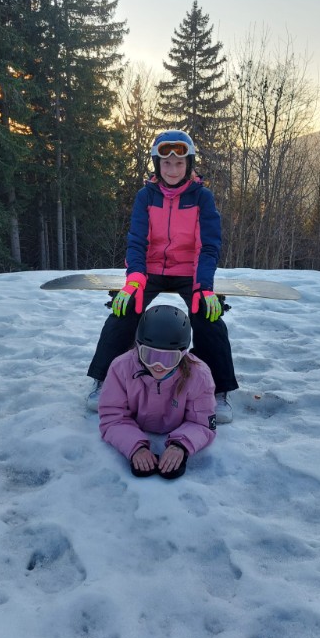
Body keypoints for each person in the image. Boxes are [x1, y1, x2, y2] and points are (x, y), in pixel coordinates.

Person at [86, 129, 238, 423]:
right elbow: (137, 241)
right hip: (151, 269)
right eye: (166, 163)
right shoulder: (146, 196)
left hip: (189, 272)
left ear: (189, 165)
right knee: (124, 309)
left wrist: (204, 288)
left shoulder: (202, 198)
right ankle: (103, 380)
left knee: (207, 317)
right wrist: (133, 283)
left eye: (179, 164)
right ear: (157, 165)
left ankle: (218, 390)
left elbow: (208, 246)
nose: (172, 170)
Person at [98, 304, 216, 478]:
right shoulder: (121, 368)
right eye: (150, 355)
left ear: (183, 353)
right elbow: (112, 417)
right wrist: (134, 446)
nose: (158, 366)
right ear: (138, 347)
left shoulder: (199, 376)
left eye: (169, 358)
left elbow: (202, 423)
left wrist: (180, 445)